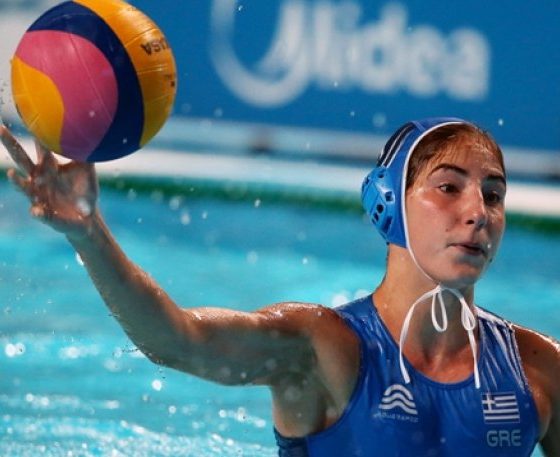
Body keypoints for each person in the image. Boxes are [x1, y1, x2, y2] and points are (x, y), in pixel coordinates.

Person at [1, 117, 559, 457]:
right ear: (388, 203)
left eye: (493, 195)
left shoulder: (539, 369)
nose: (477, 213)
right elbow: (175, 340)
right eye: (448, 187)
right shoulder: (322, 348)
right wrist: (89, 233)